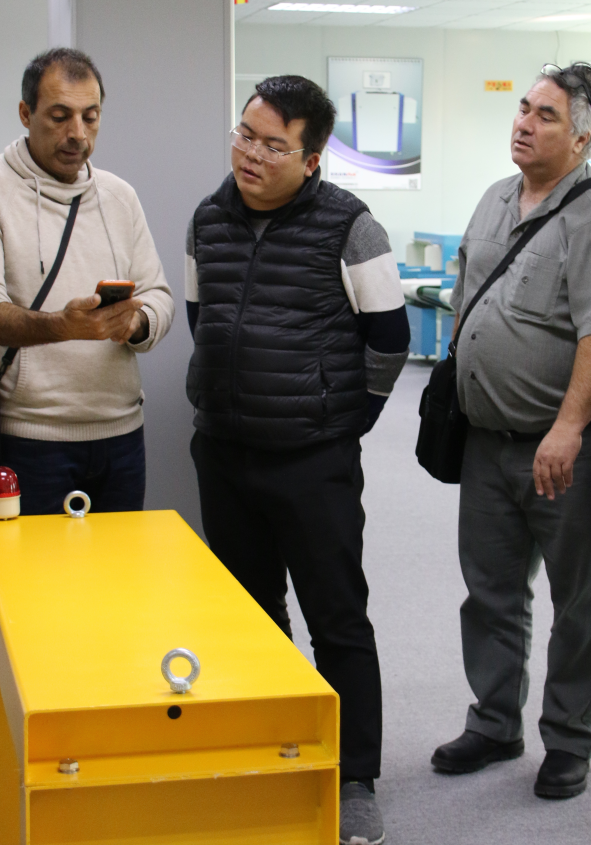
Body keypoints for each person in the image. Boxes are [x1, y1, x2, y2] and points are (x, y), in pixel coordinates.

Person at [186, 75, 410, 845]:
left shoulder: (351, 226)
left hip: (313, 460)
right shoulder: (208, 218)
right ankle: (275, 746)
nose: (250, 154)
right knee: (251, 615)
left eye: (273, 145)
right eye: (245, 135)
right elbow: (203, 317)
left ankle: (354, 777)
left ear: (311, 159)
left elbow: (390, 340)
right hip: (224, 450)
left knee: (336, 617)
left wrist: (342, 421)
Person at [431, 63, 591, 799]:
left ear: (582, 137)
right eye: (523, 108)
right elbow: (465, 296)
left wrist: (569, 427)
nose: (523, 122)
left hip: (566, 448)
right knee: (489, 592)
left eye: (546, 115)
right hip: (487, 442)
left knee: (576, 602)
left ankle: (569, 739)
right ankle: (494, 723)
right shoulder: (494, 197)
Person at [0, 48, 174, 514]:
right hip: (29, 439)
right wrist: (62, 326)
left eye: (90, 117)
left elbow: (158, 295)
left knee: (119, 563)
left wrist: (135, 324)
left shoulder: (120, 196)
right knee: (36, 564)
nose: (78, 133)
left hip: (121, 436)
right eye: (60, 117)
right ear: (25, 114)